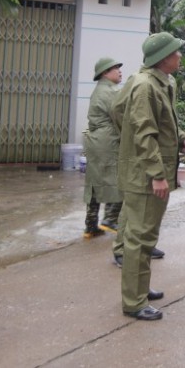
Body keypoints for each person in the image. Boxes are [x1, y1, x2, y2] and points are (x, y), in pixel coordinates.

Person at [112, 32, 185, 321]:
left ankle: (140, 288)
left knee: (147, 235)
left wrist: (182, 136)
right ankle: (134, 301)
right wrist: (157, 174)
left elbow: (164, 120)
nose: (180, 55)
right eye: (176, 51)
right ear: (163, 57)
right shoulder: (145, 85)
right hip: (145, 175)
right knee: (139, 237)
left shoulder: (162, 82)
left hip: (150, 171)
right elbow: (143, 132)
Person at [83, 57, 124, 239]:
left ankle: (90, 226)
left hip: (95, 140)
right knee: (116, 177)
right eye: (116, 68)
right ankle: (110, 218)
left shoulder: (99, 90)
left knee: (94, 182)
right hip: (108, 140)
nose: (120, 71)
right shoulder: (110, 91)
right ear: (106, 72)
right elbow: (120, 116)